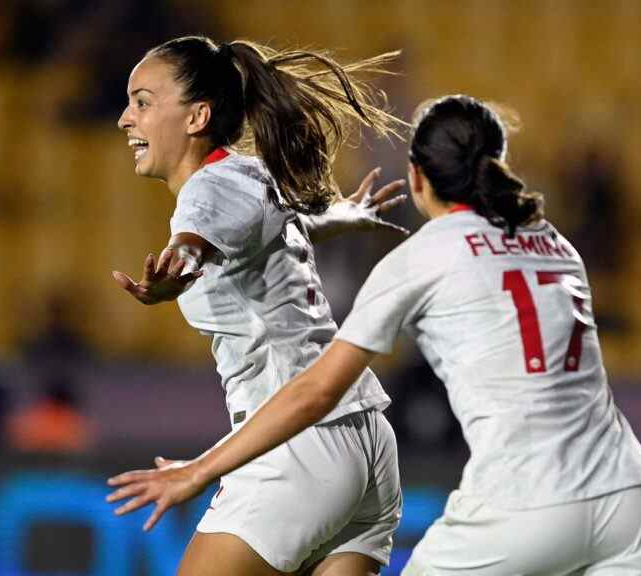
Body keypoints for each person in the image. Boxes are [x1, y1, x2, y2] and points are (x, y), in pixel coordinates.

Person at [109, 95, 641, 575]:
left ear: (416, 177)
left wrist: (199, 471)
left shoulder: (424, 255)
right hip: (631, 497)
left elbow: (315, 392)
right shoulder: (557, 245)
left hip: (523, 498)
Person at [108, 36, 409, 576]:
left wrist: (175, 270)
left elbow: (195, 241)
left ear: (197, 115)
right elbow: (273, 225)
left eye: (143, 102)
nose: (126, 119)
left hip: (295, 445)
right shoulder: (249, 176)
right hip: (367, 445)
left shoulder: (206, 191)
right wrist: (341, 215)